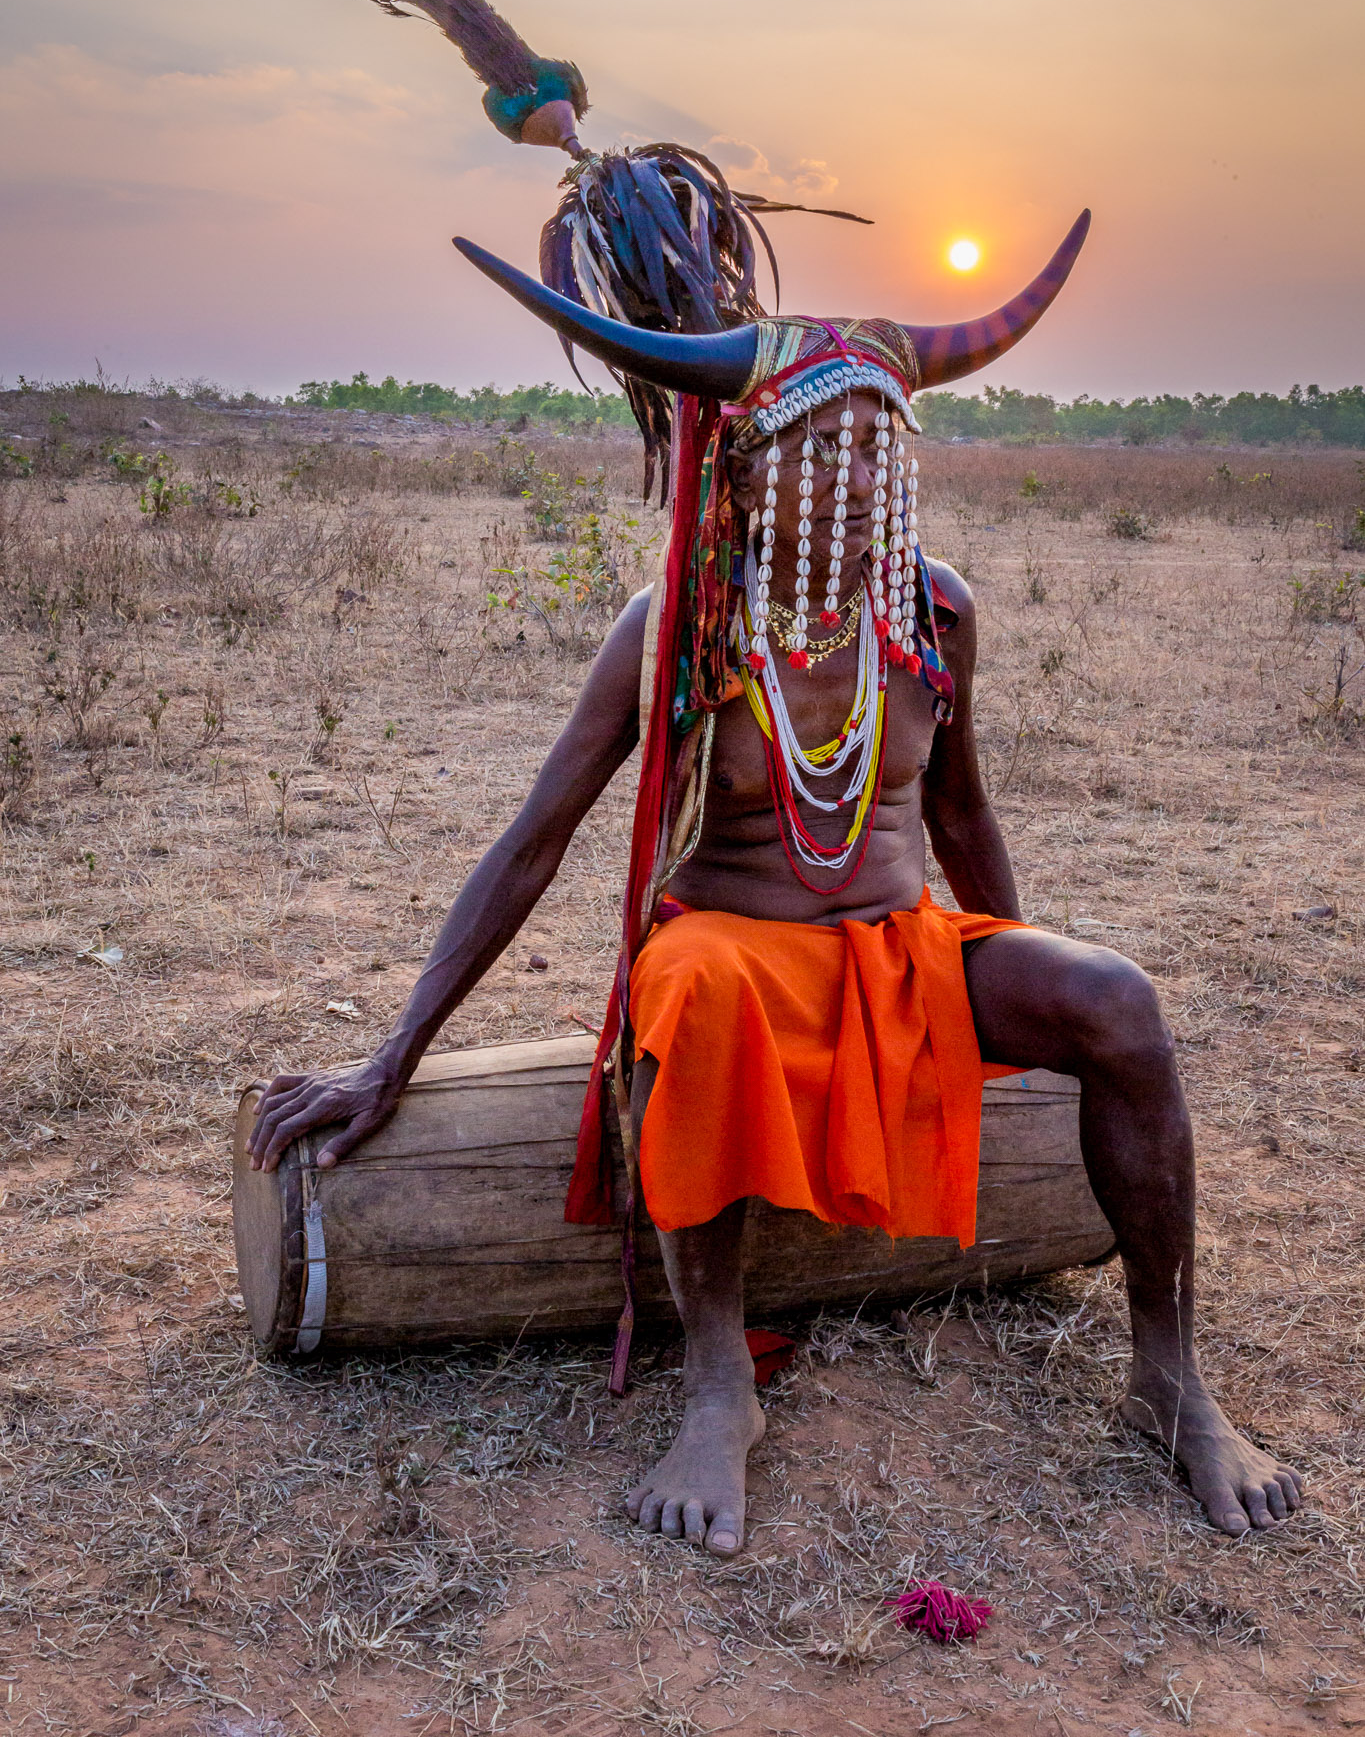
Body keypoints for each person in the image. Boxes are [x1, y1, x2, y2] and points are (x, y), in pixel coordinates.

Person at [249, 256, 1304, 1559]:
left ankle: (1168, 1377)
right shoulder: (675, 623)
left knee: (1116, 999)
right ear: (754, 464)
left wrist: (1022, 1018)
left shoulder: (932, 612)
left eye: (882, 454)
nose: (863, 484)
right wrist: (393, 1051)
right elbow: (535, 840)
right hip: (733, 955)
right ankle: (715, 1383)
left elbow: (961, 817)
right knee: (692, 989)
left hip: (899, 958)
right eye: (829, 454)